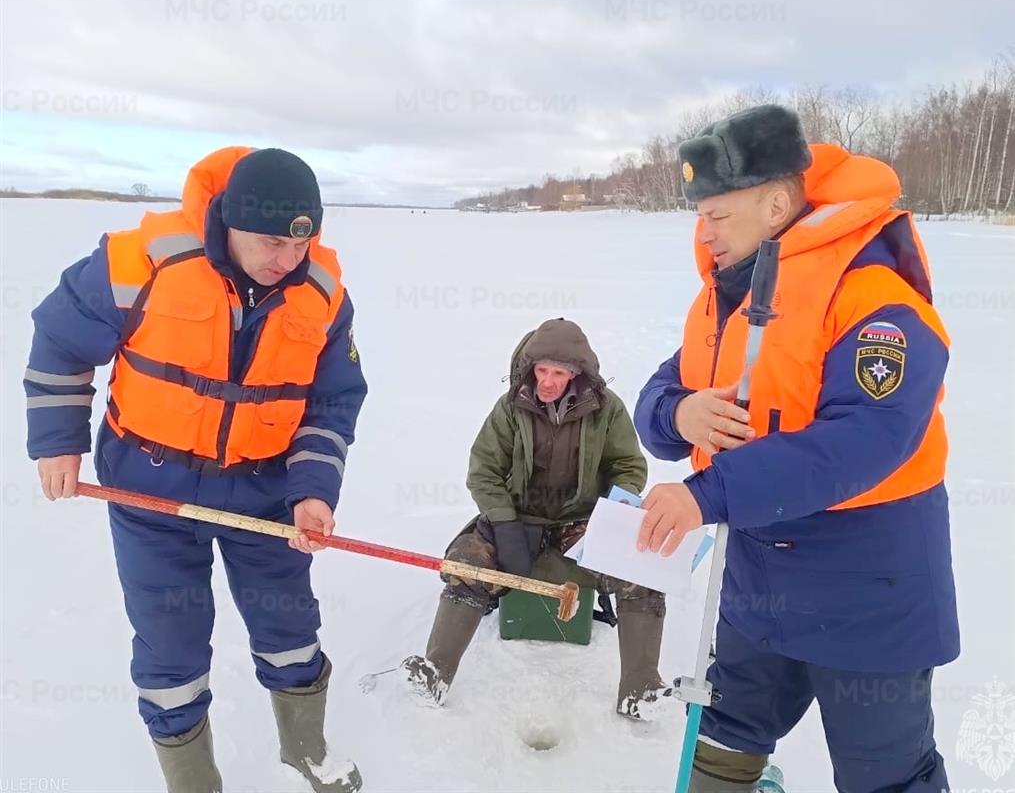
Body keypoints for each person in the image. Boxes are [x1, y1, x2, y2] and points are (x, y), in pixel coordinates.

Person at [633, 105, 958, 792]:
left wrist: (707, 494)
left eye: (717, 214)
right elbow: (661, 396)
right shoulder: (727, 299)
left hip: (868, 592)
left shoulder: (874, 296)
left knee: (886, 775)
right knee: (721, 741)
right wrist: (680, 412)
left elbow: (866, 440)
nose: (704, 232)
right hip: (757, 588)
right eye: (700, 215)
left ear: (776, 203)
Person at [24, 147, 367, 793]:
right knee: (169, 643)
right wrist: (56, 444)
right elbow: (61, 339)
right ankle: (192, 782)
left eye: (301, 243)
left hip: (264, 493)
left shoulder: (321, 294)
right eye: (271, 243)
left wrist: (313, 492)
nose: (288, 261)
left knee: (289, 625)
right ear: (229, 221)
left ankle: (305, 752)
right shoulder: (143, 261)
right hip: (149, 491)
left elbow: (331, 401)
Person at [400, 318, 671, 719]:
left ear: (577, 374)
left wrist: (616, 511)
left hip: (582, 519)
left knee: (642, 571)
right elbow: (483, 471)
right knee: (466, 562)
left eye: (558, 373)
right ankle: (435, 673)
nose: (547, 381)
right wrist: (505, 523)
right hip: (518, 517)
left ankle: (641, 691)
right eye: (541, 370)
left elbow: (628, 464)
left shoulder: (607, 408)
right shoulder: (511, 406)